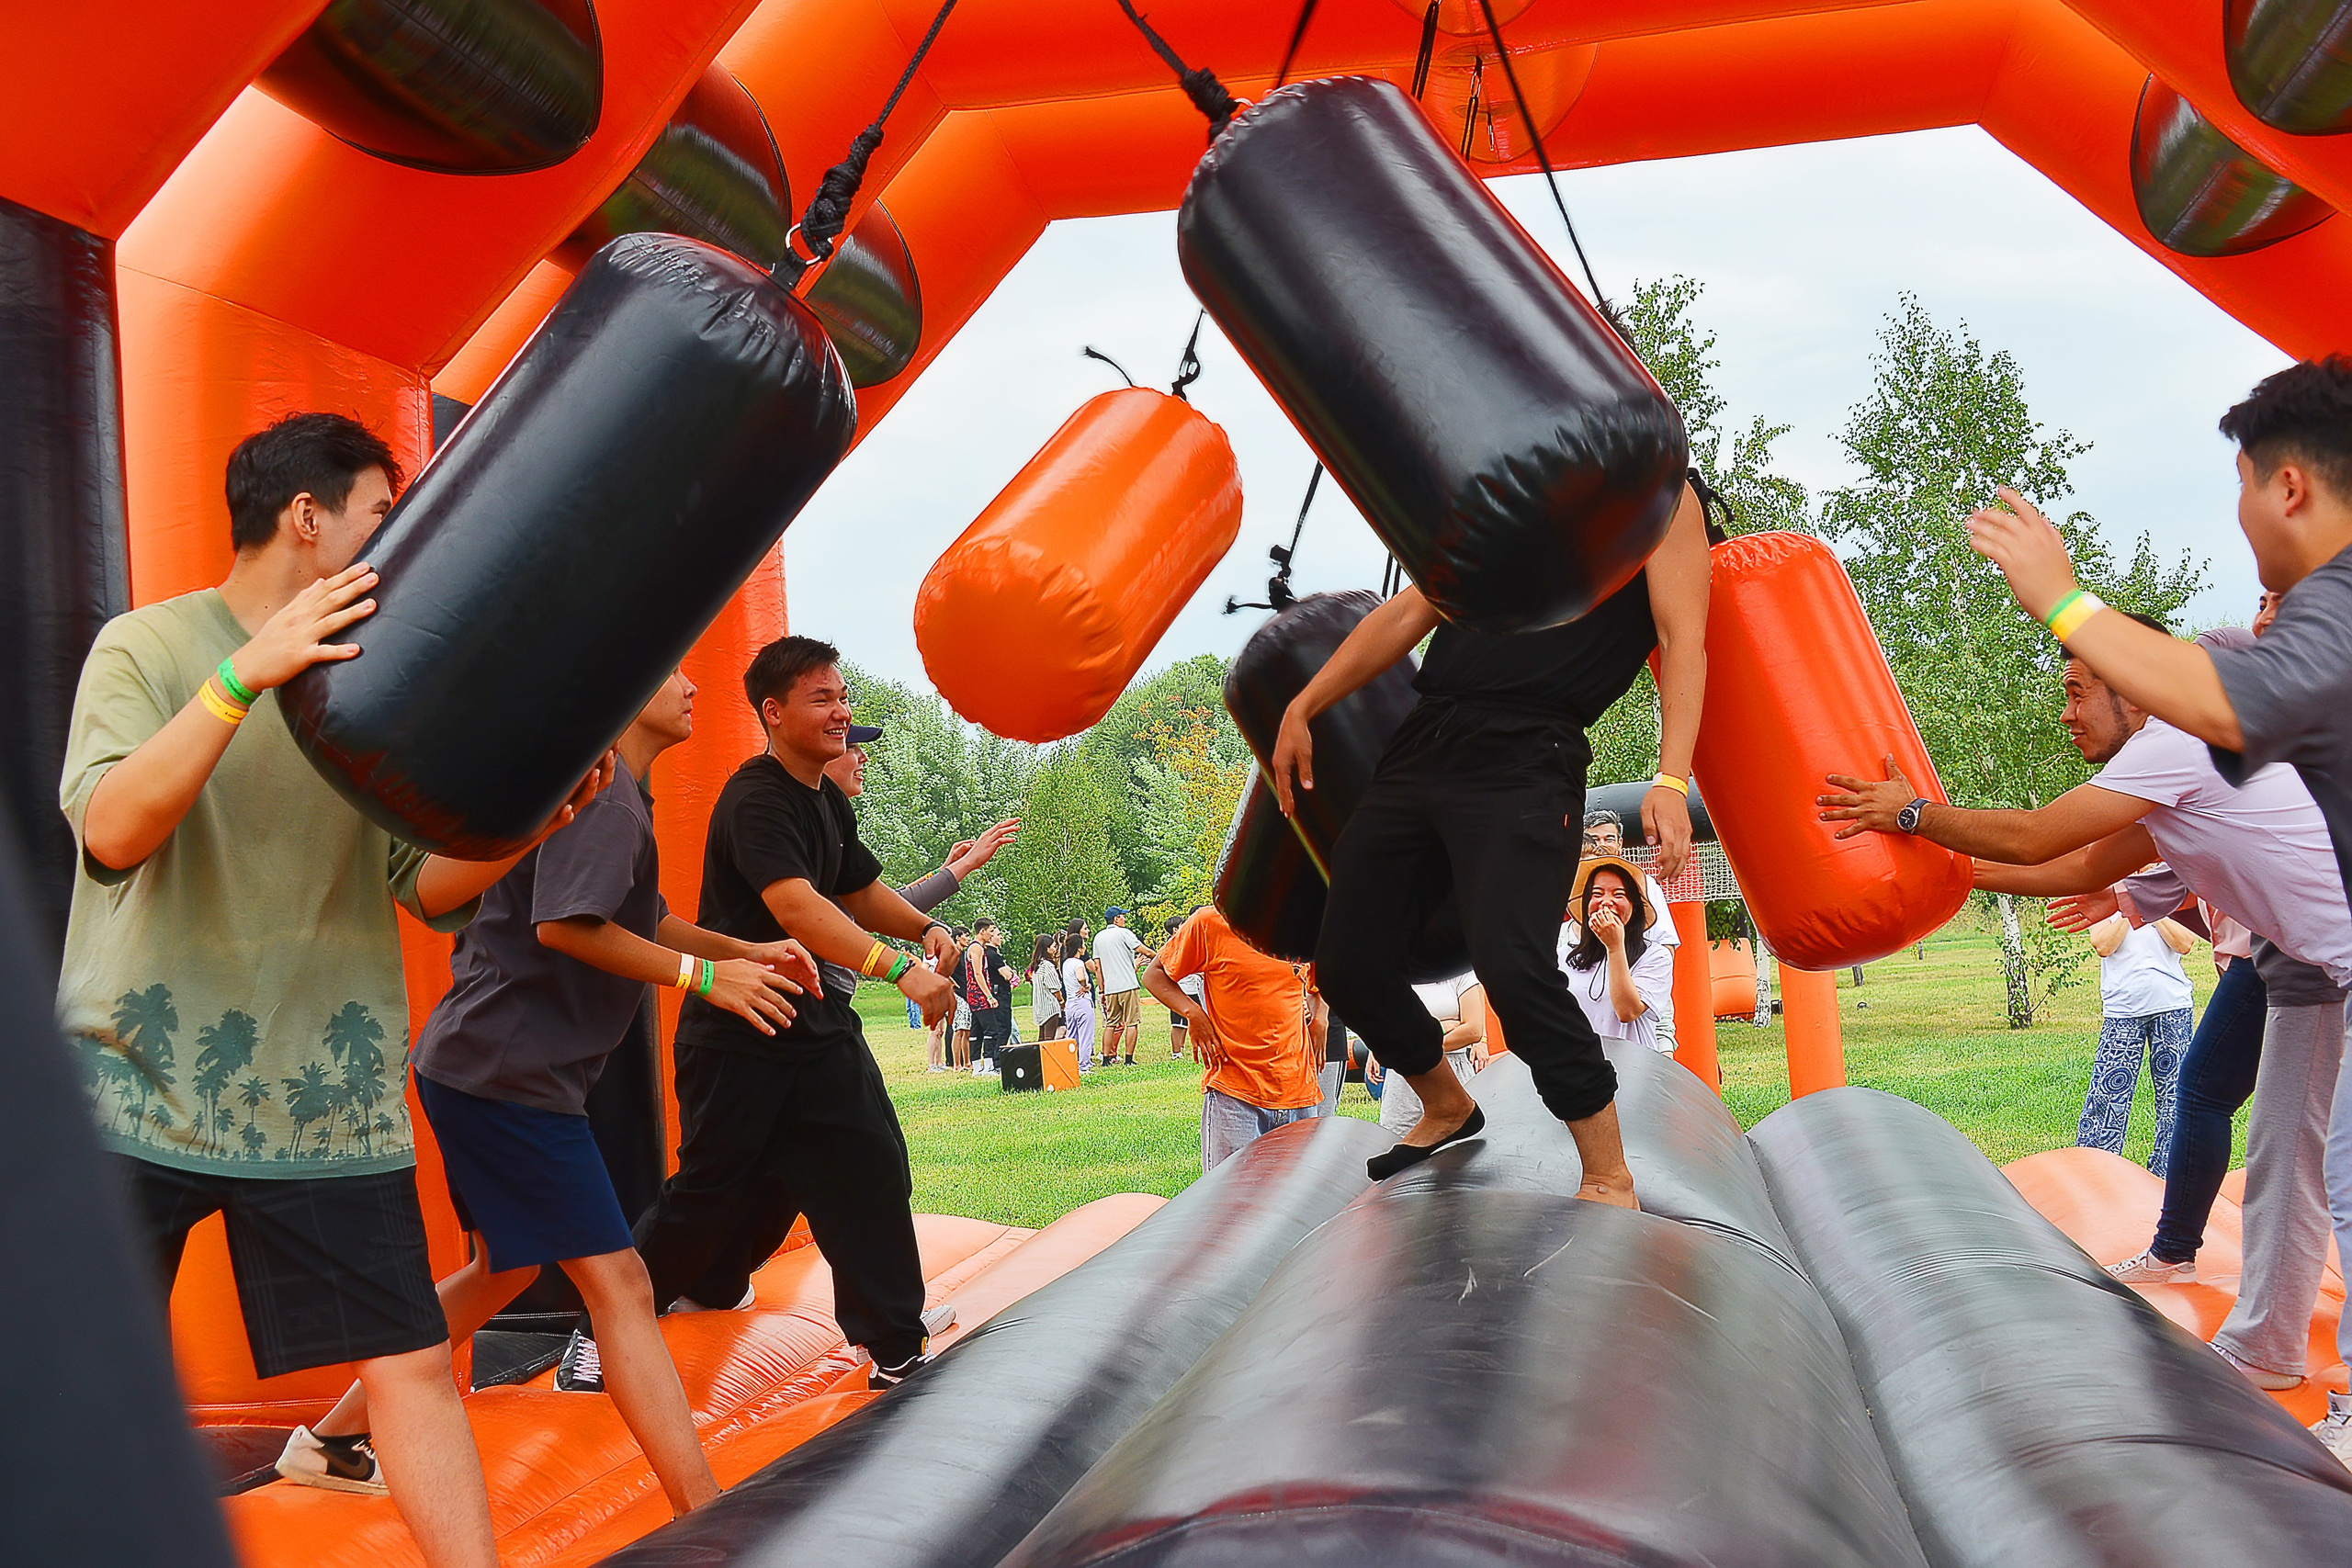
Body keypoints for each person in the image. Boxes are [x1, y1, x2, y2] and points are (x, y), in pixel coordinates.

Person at [56, 413, 607, 1568]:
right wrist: (239, 679)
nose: (396, 539)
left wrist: (538, 812)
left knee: (410, 1368)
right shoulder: (147, 649)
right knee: (75, 1389)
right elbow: (112, 831)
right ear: (307, 518)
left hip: (320, 1103)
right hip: (129, 1088)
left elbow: (423, 882)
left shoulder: (386, 685)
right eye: (378, 513)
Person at [289, 671, 816, 1516]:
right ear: (623, 690)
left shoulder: (614, 790)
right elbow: (566, 926)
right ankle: (703, 1508)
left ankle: (330, 1440)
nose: (691, 686)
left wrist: (741, 950)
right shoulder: (603, 794)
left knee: (504, 1271)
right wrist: (704, 976)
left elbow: (643, 915)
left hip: (487, 1071)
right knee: (623, 1287)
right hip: (506, 1078)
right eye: (671, 672)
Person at [1817, 620, 2352, 1452]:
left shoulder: (2178, 742)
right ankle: (2267, 1348)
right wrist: (1923, 859)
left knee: (2341, 1172)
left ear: (2132, 691)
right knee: (2284, 1156)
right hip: (2312, 973)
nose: (2064, 713)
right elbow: (2073, 870)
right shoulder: (2173, 774)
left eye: (2076, 692)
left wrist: (1919, 814)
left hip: (2332, 964)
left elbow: (2041, 834)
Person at [1272, 482, 1713, 1198]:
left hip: (1530, 756)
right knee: (1346, 961)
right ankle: (1445, 1102)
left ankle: (1608, 1171)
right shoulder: (1517, 486)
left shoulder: (1659, 494)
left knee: (1513, 965)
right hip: (1428, 737)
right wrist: (1305, 701)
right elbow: (1411, 610)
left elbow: (1681, 637)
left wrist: (1670, 775)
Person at [631, 637, 960, 1392]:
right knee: (711, 1194)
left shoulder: (823, 799)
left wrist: (922, 926)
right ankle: (610, 1327)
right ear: (773, 713)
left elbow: (857, 888)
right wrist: (898, 969)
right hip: (740, 1036)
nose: (842, 710)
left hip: (813, 1031)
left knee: (870, 1165)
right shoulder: (757, 797)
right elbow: (795, 905)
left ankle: (893, 1347)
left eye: (843, 695)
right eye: (823, 697)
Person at [1142, 907, 1328, 1171]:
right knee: (1230, 1207)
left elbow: (1318, 981)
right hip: (1235, 1093)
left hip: (1299, 1090)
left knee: (1297, 1205)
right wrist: (1193, 1013)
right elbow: (1154, 975)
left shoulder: (1300, 924)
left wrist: (1321, 1016)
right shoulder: (1210, 923)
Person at [2075, 908, 2194, 1172]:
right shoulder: (2105, 893)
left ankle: (2168, 1173)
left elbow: (2184, 943)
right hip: (2122, 1011)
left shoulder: (2166, 892)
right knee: (2107, 1096)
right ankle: (2094, 1171)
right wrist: (2129, 904)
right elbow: (2103, 945)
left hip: (2172, 1007)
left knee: (2175, 1097)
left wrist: (2148, 903)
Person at [1557, 856, 1679, 1058]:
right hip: (1578, 1072)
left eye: (1618, 894)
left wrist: (1614, 947)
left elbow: (1627, 1011)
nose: (1606, 902)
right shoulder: (1564, 958)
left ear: (1634, 906)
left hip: (1634, 1071)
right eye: (1597, 894)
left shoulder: (1655, 957)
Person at [1367, 969, 1488, 1137]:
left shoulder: (1461, 973)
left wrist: (1414, 1043)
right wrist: (1440, 1027)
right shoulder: (1398, 974)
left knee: (1460, 1143)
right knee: (1397, 1138)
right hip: (1404, 1077)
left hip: (1453, 1069)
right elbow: (1387, 1027)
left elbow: (1473, 1030)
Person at [1092, 908, 1154, 1067]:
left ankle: (1106, 1058)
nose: (1124, 920)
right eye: (1122, 917)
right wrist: (1159, 957)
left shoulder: (1098, 938)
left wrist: (1102, 989)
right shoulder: (1124, 933)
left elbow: (1097, 966)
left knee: (1111, 1023)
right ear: (1116, 919)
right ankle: (1128, 1059)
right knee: (1132, 1022)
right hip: (1128, 984)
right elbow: (1143, 950)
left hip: (1110, 987)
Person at [968, 917, 1018, 1074]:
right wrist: (989, 995)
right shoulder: (976, 948)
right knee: (992, 1031)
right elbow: (978, 973)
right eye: (991, 932)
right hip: (979, 994)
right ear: (982, 931)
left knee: (976, 1031)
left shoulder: (979, 949)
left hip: (975, 994)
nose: (992, 935)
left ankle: (977, 1066)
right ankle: (990, 1064)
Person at [1061, 931, 1097, 1072]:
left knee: (1072, 1034)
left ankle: (1071, 1063)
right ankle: (1084, 1065)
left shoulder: (1066, 963)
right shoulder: (1079, 963)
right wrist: (1084, 985)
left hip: (1070, 1003)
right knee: (1085, 1035)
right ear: (1079, 948)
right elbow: (1080, 977)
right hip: (1082, 1001)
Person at [1030, 932, 1066, 1041]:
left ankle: (1039, 1057)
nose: (1055, 949)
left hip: (1040, 1006)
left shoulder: (1037, 966)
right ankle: (1047, 1058)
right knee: (1049, 1037)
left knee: (1042, 1037)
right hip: (1050, 1007)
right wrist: (1061, 1001)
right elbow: (1055, 988)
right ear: (1047, 948)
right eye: (1054, 946)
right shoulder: (1048, 966)